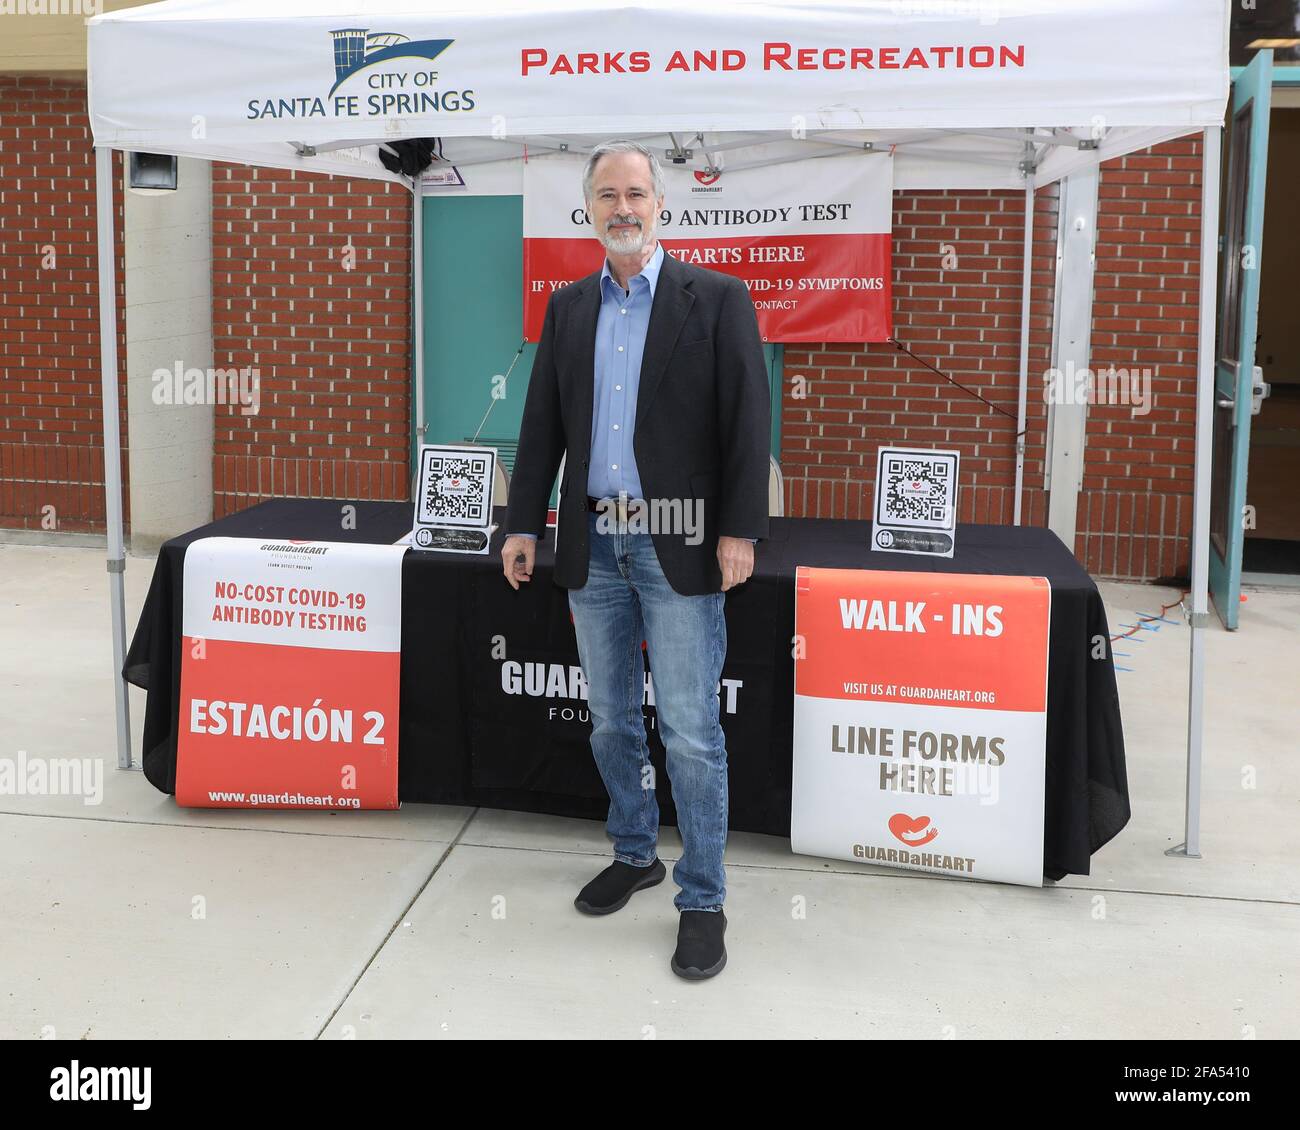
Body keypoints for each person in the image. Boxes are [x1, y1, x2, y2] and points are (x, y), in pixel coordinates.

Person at [501, 139, 770, 980]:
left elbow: (746, 422)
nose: (623, 207)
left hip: (679, 540)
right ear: (588, 210)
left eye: (637, 193)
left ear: (662, 206)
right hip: (592, 543)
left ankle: (703, 897)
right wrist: (522, 525)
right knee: (613, 718)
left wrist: (739, 530)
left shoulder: (717, 299)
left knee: (689, 731)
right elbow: (542, 425)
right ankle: (634, 849)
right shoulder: (569, 307)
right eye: (607, 195)